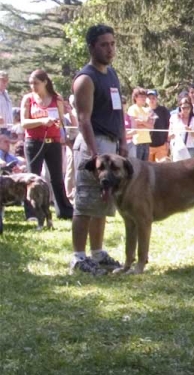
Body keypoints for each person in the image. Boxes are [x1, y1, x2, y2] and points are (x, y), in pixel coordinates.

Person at [70, 24, 126, 275]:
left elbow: (119, 111)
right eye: (104, 44)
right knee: (85, 203)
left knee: (103, 200)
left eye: (112, 43)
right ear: (92, 47)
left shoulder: (111, 74)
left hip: (112, 143)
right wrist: (95, 156)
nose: (110, 49)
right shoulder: (85, 79)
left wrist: (122, 142)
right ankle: (78, 258)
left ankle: (98, 253)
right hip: (93, 144)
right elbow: (84, 119)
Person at [20, 69, 74, 220]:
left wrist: (57, 122)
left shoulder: (56, 99)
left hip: (53, 143)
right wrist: (41, 121)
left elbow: (62, 119)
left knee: (57, 178)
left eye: (36, 83)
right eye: (31, 83)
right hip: (33, 143)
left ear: (45, 82)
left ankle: (63, 210)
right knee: (32, 178)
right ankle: (32, 212)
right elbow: (24, 123)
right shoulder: (28, 99)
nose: (33, 86)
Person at [127, 87, 154, 161]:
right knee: (137, 163)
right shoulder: (132, 108)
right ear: (135, 97)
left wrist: (141, 122)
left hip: (146, 141)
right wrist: (145, 124)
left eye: (145, 97)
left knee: (145, 165)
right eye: (141, 96)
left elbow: (151, 127)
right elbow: (134, 124)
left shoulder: (146, 110)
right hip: (137, 142)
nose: (144, 98)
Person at [169, 96, 194, 160]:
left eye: (187, 108)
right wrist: (173, 134)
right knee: (177, 168)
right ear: (180, 108)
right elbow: (169, 135)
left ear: (191, 108)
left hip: (190, 147)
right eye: (183, 108)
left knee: (190, 169)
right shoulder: (174, 118)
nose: (185, 110)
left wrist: (190, 131)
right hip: (178, 147)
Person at [146, 89, 171, 162]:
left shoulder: (163, 110)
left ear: (157, 98)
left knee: (161, 168)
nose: (151, 100)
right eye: (149, 98)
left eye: (153, 98)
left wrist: (168, 141)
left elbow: (169, 126)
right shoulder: (143, 110)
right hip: (147, 146)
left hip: (161, 145)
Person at [0, 70, 13, 136]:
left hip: (8, 128)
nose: (5, 83)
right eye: (3, 81)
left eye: (6, 81)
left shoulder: (6, 94)